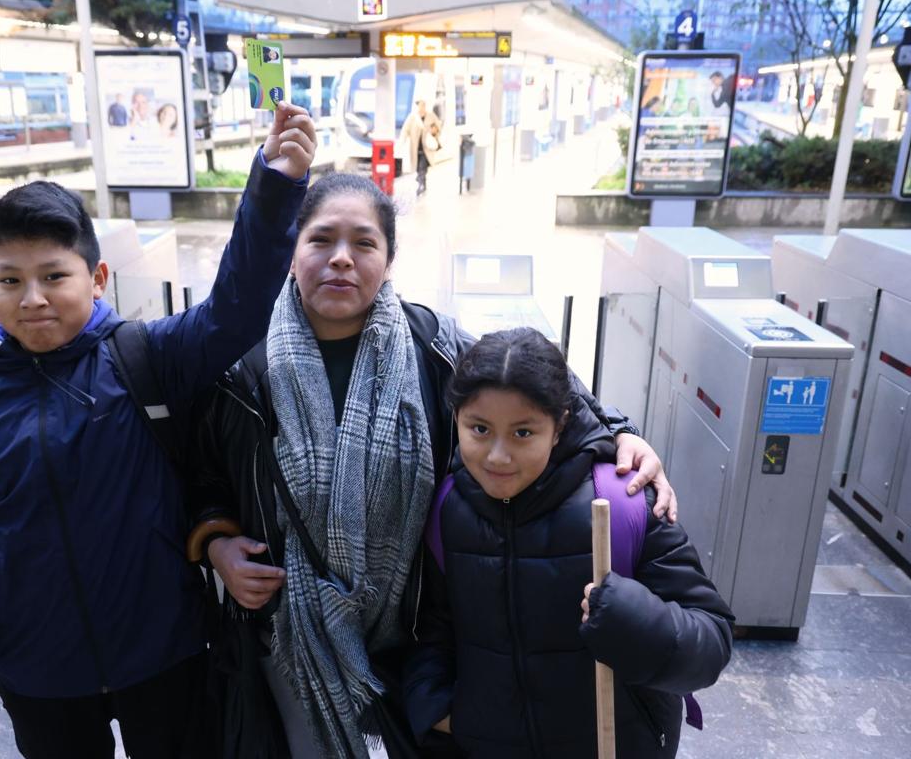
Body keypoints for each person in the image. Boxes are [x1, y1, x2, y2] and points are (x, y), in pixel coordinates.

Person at [186, 173, 676, 759]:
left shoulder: (433, 344)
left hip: (413, 634)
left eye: (364, 243)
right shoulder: (244, 365)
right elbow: (202, 469)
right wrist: (217, 543)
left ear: (389, 259)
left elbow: (539, 390)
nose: (341, 259)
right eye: (321, 240)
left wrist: (620, 433)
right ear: (293, 251)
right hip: (291, 636)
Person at [0, 103, 317, 759]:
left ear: (96, 279)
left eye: (54, 276)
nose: (32, 297)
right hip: (40, 670)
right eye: (9, 280)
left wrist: (273, 185)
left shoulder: (143, 357)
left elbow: (236, 310)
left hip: (165, 653)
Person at [403, 328, 733, 758]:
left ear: (559, 426)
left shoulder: (624, 499)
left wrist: (634, 620)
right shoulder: (448, 508)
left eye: (523, 433)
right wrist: (436, 708)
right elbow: (433, 628)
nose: (498, 456)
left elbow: (711, 641)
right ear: (457, 419)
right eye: (480, 429)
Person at [399, 99, 443, 196]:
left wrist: (434, 132)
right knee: (419, 167)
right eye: (420, 105)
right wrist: (400, 143)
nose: (422, 107)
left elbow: (438, 126)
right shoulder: (413, 117)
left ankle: (420, 185)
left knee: (422, 167)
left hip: (427, 148)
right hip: (416, 148)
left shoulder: (431, 115)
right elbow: (405, 130)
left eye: (423, 105)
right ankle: (422, 183)